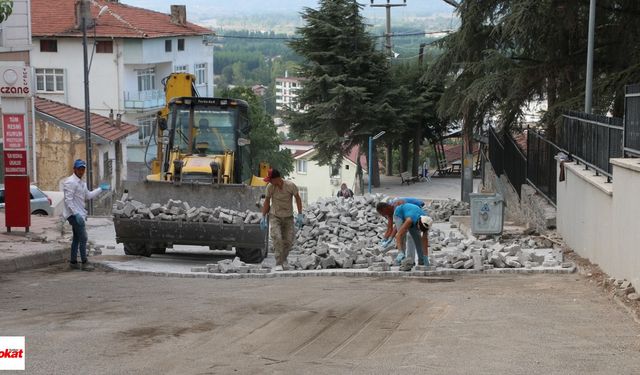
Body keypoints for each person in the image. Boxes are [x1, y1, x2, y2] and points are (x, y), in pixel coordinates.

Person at [62, 159, 107, 271]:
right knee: (84, 237)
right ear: (74, 169)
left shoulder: (82, 183)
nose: (81, 171)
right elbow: (68, 201)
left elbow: (88, 196)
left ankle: (73, 261)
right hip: (73, 215)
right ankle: (84, 262)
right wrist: (76, 214)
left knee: (77, 238)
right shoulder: (70, 182)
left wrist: (100, 189)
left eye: (83, 169)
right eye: (79, 169)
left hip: (79, 214)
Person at [260, 169, 303, 271]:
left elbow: (298, 198)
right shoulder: (270, 187)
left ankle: (284, 259)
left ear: (277, 178)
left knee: (288, 240)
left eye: (271, 180)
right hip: (275, 216)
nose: (269, 182)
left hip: (288, 217)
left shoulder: (290, 186)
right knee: (277, 237)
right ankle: (279, 262)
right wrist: (263, 216)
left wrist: (300, 214)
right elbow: (267, 201)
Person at [393, 202, 430, 271]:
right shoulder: (410, 220)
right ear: (418, 224)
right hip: (399, 213)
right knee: (403, 237)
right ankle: (403, 262)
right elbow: (398, 235)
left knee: (418, 239)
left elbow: (424, 241)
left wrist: (426, 256)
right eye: (419, 228)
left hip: (412, 214)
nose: (420, 230)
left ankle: (421, 260)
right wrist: (400, 251)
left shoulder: (426, 221)